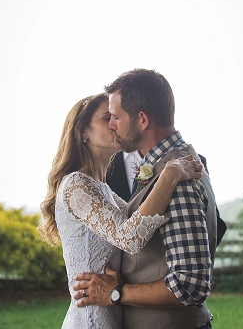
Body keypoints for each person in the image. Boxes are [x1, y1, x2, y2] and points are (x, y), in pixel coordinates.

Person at [38, 93, 203, 329]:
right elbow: (131, 239)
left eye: (116, 117)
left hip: (112, 311)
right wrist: (170, 174)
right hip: (92, 318)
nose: (115, 124)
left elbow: (138, 229)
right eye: (107, 118)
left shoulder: (102, 189)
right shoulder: (76, 184)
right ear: (83, 131)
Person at [73, 69, 218, 329]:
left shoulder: (177, 179)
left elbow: (190, 284)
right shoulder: (178, 163)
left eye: (115, 117)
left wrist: (116, 293)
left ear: (142, 120)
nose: (112, 125)